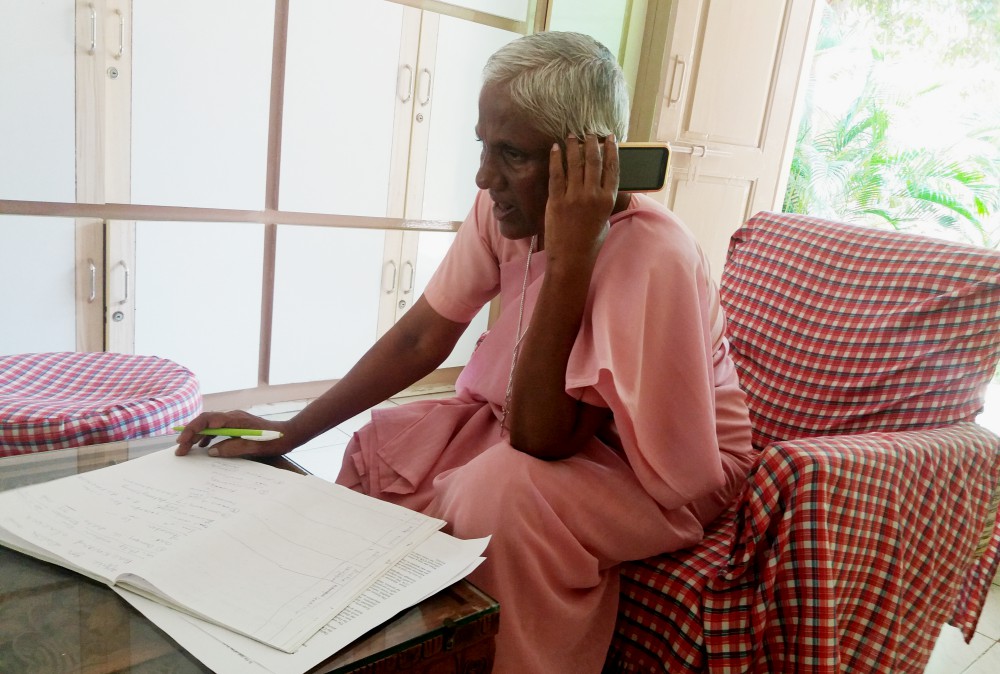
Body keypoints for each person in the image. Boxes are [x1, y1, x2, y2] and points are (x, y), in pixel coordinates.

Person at [177, 31, 755, 673]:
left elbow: (542, 439)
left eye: (511, 154)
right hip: (552, 423)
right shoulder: (504, 210)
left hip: (655, 467)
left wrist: (569, 257)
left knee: (498, 494)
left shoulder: (652, 257)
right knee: (381, 452)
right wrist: (289, 430)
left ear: (587, 163)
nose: (484, 178)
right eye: (483, 146)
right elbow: (422, 336)